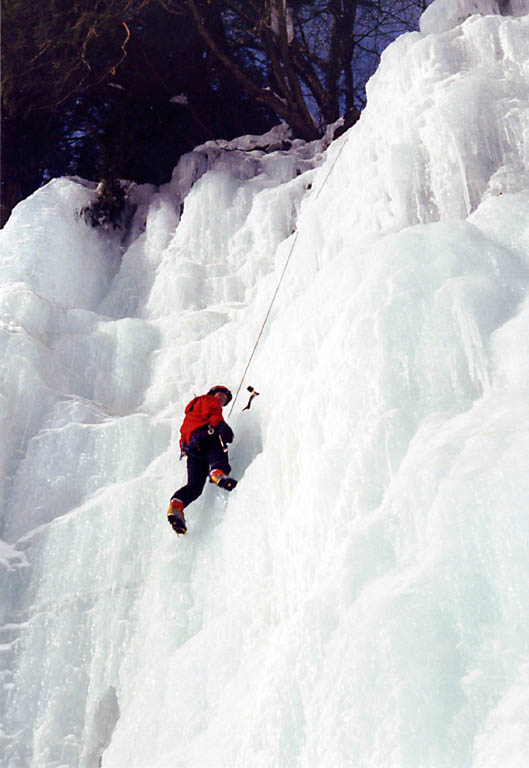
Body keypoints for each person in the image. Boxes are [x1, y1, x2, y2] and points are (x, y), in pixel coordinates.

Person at [167, 385, 237, 534]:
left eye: (224, 400)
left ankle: (177, 504)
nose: (221, 400)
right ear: (212, 393)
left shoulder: (191, 413)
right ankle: (218, 473)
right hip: (206, 437)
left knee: (195, 486)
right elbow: (213, 414)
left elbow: (183, 434)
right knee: (219, 452)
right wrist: (221, 425)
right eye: (220, 395)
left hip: (193, 450)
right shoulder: (208, 400)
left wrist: (185, 449)